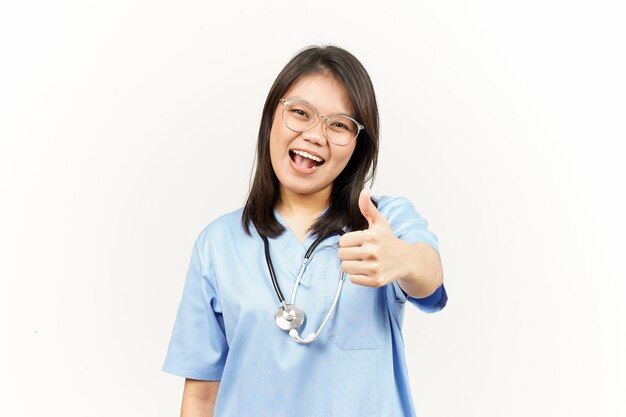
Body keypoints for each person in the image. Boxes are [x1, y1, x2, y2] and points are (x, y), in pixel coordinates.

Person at [162, 45, 448, 417]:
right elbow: (201, 396)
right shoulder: (217, 244)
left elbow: (430, 280)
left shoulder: (382, 223)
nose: (315, 134)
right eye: (300, 113)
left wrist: (404, 260)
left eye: (339, 125)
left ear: (358, 146)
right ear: (271, 117)